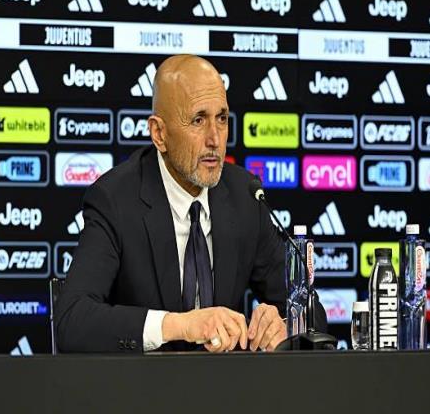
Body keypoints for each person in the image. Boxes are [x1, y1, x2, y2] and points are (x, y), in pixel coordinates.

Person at [55, 54, 327, 353]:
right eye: (198, 120)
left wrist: (286, 325)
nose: (215, 139)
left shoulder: (245, 195)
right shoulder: (116, 199)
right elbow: (72, 321)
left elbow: (313, 314)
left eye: (221, 119)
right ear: (159, 134)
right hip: (140, 381)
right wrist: (179, 325)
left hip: (227, 382)